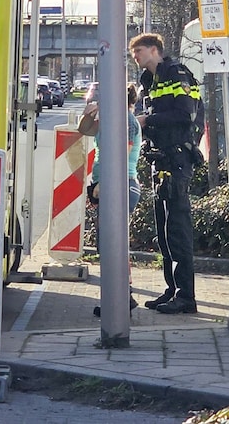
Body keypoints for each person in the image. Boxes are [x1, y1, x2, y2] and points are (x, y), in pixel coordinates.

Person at [130, 33, 200, 314]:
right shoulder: (149, 81)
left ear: (154, 50)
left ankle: (187, 296)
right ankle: (173, 290)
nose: (135, 55)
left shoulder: (176, 73)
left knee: (178, 230)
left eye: (139, 50)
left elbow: (185, 115)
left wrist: (147, 120)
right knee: (164, 231)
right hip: (160, 160)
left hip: (178, 159)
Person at [85, 83, 144, 317]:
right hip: (110, 185)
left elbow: (121, 156)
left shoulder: (127, 122)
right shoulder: (110, 120)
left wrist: (103, 184)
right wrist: (89, 114)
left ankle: (120, 298)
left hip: (120, 185)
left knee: (113, 245)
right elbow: (85, 130)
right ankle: (122, 295)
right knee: (109, 244)